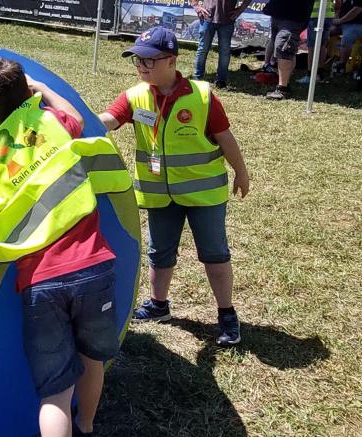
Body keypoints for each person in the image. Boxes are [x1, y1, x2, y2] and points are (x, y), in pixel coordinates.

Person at [0, 58, 132, 437]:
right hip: (93, 266)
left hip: (39, 282)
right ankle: (85, 425)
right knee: (93, 360)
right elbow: (76, 118)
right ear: (27, 93)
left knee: (54, 392)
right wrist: (44, 89)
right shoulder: (53, 123)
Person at [98, 27, 251, 347]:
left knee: (214, 253)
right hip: (160, 195)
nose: (141, 66)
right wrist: (74, 121)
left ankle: (226, 314)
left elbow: (225, 138)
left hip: (204, 194)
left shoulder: (203, 96)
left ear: (171, 60)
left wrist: (241, 171)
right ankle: (158, 305)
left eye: (149, 60)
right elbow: (107, 121)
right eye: (137, 59)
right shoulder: (134, 96)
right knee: (159, 252)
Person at [189, 0, 253, 88]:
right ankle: (197, 77)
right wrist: (197, 7)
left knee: (225, 52)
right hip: (207, 18)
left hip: (227, 21)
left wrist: (239, 10)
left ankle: (221, 80)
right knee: (203, 49)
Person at [263, 0, 318, 99]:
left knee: (284, 49)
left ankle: (283, 89)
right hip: (278, 13)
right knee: (285, 49)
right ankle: (284, 84)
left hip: (293, 16)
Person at [299, 0, 337, 84]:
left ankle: (310, 75)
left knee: (312, 47)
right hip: (328, 16)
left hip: (315, 15)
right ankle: (319, 74)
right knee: (322, 46)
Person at [333, 0, 362, 74]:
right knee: (323, 31)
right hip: (343, 24)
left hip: (360, 24)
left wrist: (340, 21)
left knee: (347, 36)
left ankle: (341, 65)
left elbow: (356, 10)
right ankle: (317, 64)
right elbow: (338, 9)